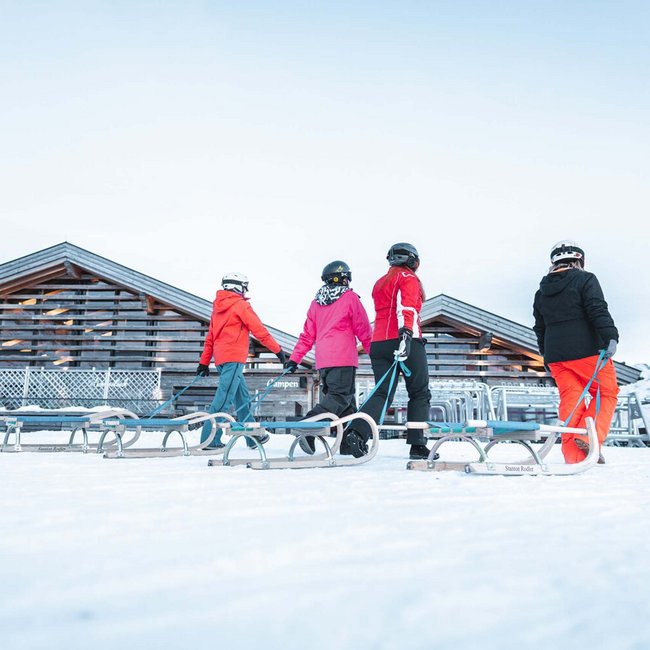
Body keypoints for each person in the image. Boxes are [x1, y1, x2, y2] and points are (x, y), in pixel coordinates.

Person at [343, 243, 434, 460]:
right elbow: (407, 307)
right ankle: (417, 445)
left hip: (380, 343)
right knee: (420, 392)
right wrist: (406, 335)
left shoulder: (379, 282)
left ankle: (356, 432)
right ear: (413, 260)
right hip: (405, 339)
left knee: (382, 393)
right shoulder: (408, 278)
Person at [533, 240, 619, 464]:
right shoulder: (585, 279)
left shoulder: (541, 291)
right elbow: (596, 307)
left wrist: (545, 354)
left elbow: (540, 327)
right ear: (579, 259)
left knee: (572, 400)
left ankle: (574, 455)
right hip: (587, 350)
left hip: (556, 356)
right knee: (607, 393)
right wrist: (611, 335)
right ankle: (589, 440)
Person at [284, 260, 372, 454]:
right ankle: (308, 426)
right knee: (339, 397)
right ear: (344, 279)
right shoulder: (350, 298)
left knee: (347, 404)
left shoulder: (316, 303)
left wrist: (294, 359)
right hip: (343, 359)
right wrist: (376, 355)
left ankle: (348, 445)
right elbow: (363, 329)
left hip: (324, 362)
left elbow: (307, 335)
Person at [196, 272, 286, 449]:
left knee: (242, 399)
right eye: (245, 286)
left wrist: (204, 362)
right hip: (234, 358)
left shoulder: (218, 308)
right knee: (222, 400)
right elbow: (259, 330)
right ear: (237, 287)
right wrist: (278, 351)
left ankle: (252, 436)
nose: (246, 290)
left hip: (222, 360)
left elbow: (210, 338)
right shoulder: (240, 305)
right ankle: (209, 441)